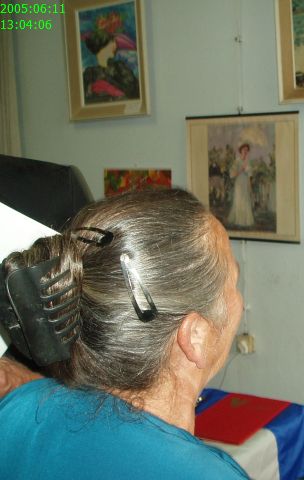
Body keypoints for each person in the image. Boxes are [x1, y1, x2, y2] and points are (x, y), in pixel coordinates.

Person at [0, 189, 248, 479]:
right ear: (196, 337)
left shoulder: (18, 411)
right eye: (234, 282)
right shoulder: (210, 475)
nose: (240, 301)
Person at [227, 143, 255, 227]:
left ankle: (246, 221)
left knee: (245, 200)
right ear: (240, 151)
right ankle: (238, 220)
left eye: (247, 150)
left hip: (245, 183)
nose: (245, 152)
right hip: (239, 183)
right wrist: (240, 170)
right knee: (239, 199)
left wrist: (250, 185)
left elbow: (250, 174)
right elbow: (232, 175)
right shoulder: (237, 161)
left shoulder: (248, 162)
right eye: (244, 150)